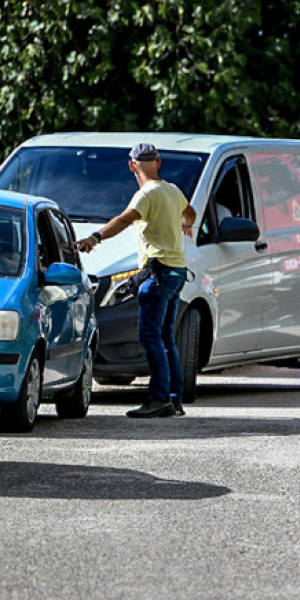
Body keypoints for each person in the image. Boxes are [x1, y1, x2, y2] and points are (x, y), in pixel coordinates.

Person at [76, 143, 197, 418]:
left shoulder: (146, 194)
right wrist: (185, 224)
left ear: (132, 165)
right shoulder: (172, 190)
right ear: (159, 162)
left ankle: (159, 399)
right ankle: (175, 399)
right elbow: (190, 213)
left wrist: (95, 238)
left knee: (150, 336)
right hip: (177, 272)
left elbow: (123, 220)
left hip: (158, 273)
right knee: (166, 337)